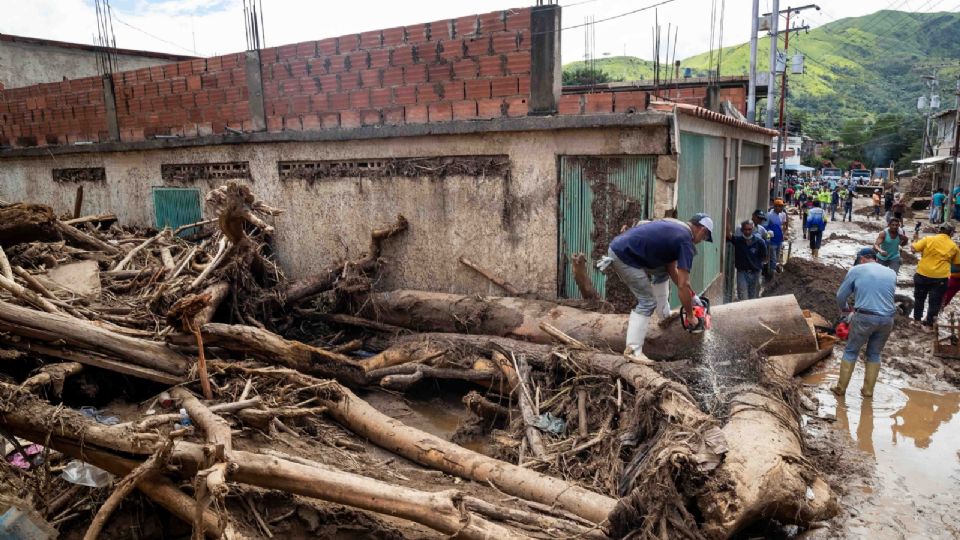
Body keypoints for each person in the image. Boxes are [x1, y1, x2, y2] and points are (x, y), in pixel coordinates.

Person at [607, 214, 714, 359]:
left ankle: (664, 316)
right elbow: (682, 284)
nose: (701, 241)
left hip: (625, 249)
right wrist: (690, 315)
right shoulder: (685, 242)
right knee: (647, 302)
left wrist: (693, 296)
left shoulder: (676, 226)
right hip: (623, 256)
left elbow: (671, 270)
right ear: (702, 230)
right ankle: (633, 350)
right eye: (704, 238)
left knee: (661, 272)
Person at [832, 247, 897, 398]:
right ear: (875, 258)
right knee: (874, 353)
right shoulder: (891, 272)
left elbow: (840, 296)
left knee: (851, 351)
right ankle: (868, 391)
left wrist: (846, 311)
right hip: (887, 319)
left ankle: (840, 389)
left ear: (861, 259)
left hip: (865, 318)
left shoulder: (856, 269)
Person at [911, 222, 960, 329]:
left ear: (939, 230)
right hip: (940, 278)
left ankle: (917, 321)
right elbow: (957, 264)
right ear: (951, 233)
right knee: (935, 301)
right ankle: (929, 324)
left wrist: (914, 241)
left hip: (922, 274)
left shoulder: (928, 239)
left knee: (919, 299)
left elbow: (913, 249)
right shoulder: (953, 246)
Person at [727, 220, 768, 301]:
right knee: (743, 297)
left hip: (755, 273)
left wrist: (756, 265)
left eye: (749, 229)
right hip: (742, 273)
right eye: (745, 229)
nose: (747, 231)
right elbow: (728, 235)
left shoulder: (759, 242)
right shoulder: (738, 240)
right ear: (742, 230)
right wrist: (727, 216)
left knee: (753, 297)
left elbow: (764, 257)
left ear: (753, 229)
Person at [766, 199, 788, 274]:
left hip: (779, 239)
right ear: (774, 207)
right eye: (779, 207)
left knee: (777, 257)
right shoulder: (769, 215)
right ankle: (773, 272)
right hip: (772, 240)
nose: (781, 208)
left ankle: (775, 269)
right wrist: (768, 239)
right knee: (773, 257)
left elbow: (783, 226)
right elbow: (766, 227)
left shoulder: (782, 214)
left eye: (782, 207)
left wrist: (784, 235)